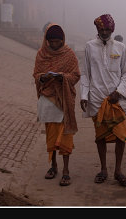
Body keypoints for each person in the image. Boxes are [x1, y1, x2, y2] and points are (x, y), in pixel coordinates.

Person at [80, 13, 126, 187]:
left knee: (120, 136)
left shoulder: (121, 47)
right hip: (97, 98)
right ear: (97, 29)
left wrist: (119, 92)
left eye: (107, 29)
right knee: (100, 137)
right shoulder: (89, 47)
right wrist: (83, 95)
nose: (104, 31)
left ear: (112, 29)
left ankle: (118, 170)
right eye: (101, 29)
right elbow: (86, 73)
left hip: (116, 101)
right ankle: (103, 169)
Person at [33, 23, 80, 186]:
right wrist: (42, 78)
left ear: (62, 40)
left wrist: (63, 78)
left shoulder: (69, 55)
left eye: (57, 41)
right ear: (46, 40)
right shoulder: (41, 54)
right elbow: (36, 74)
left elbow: (75, 75)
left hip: (64, 99)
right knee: (51, 135)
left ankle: (66, 170)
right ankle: (53, 166)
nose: (54, 44)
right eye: (51, 41)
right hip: (47, 100)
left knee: (66, 134)